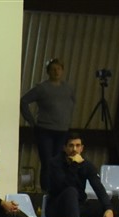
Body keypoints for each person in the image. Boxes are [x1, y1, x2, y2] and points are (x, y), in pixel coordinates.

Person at [20, 58, 77, 187]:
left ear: (62, 71)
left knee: (59, 162)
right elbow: (24, 101)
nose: (56, 72)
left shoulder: (68, 89)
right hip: (45, 130)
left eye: (58, 69)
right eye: (53, 69)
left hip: (62, 130)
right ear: (48, 72)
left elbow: (72, 103)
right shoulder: (42, 88)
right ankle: (45, 190)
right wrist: (31, 121)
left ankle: (56, 188)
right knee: (47, 161)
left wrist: (67, 119)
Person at [43, 132, 116, 217]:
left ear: (82, 148)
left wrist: (108, 208)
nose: (74, 149)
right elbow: (63, 186)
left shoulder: (86, 165)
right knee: (71, 191)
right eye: (71, 146)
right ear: (64, 148)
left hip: (77, 208)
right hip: (57, 209)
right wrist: (74, 165)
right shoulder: (55, 163)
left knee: (104, 211)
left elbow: (98, 187)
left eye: (77, 146)